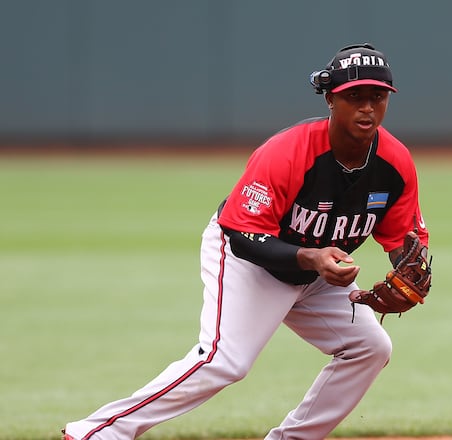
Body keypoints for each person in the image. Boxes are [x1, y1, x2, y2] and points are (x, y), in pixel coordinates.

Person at [63, 43, 430, 440]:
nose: (367, 108)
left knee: (371, 348)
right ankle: (96, 432)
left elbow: (404, 241)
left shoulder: (395, 163)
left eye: (377, 97)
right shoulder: (288, 151)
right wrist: (312, 258)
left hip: (317, 272)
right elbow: (244, 236)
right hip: (249, 259)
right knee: (225, 361)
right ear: (329, 98)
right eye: (353, 96)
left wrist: (410, 273)